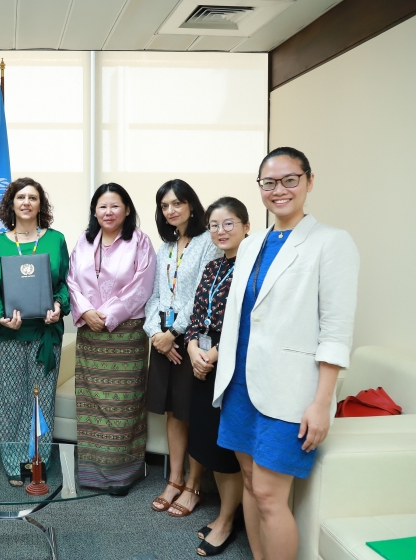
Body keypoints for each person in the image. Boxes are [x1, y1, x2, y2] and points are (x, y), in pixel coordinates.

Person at [213, 148, 359, 560]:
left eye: (290, 180)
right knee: (247, 480)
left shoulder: (332, 242)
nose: (279, 190)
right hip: (240, 382)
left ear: (309, 181)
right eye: (269, 182)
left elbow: (335, 331)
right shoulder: (253, 242)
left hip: (289, 389)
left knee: (269, 495)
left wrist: (320, 402)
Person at [65, 183, 155, 493]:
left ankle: (121, 476)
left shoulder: (139, 242)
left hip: (126, 336)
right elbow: (71, 281)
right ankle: (91, 475)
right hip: (90, 336)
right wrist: (87, 311)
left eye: (115, 206)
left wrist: (110, 314)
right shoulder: (84, 241)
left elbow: (143, 285)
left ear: (127, 209)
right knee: (92, 405)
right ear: (94, 211)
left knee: (123, 408)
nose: (108, 212)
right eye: (102, 206)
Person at [0, 177, 69, 486]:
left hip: (45, 334)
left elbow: (63, 285)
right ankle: (12, 459)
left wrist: (59, 305)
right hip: (8, 335)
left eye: (33, 197)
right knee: (10, 399)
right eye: (21, 197)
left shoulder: (55, 240)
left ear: (40, 204)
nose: (27, 202)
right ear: (11, 204)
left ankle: (38, 459)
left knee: (41, 398)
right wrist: (0, 318)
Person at [143, 179, 221, 517]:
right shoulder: (166, 247)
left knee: (194, 413)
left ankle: (193, 485)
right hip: (164, 343)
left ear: (192, 205)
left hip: (192, 342)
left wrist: (174, 333)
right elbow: (157, 297)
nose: (171, 210)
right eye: (165, 206)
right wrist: (155, 336)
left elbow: (201, 297)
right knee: (174, 413)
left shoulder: (208, 243)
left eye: (177, 203)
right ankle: (173, 480)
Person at [184, 197, 250, 556]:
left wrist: (214, 354)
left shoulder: (251, 268)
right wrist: (194, 350)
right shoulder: (211, 267)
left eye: (229, 224)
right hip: (203, 366)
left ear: (246, 226)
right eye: (214, 225)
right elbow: (197, 317)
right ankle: (227, 513)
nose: (221, 231)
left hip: (230, 369)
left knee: (226, 449)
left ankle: (226, 522)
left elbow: (245, 326)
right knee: (208, 441)